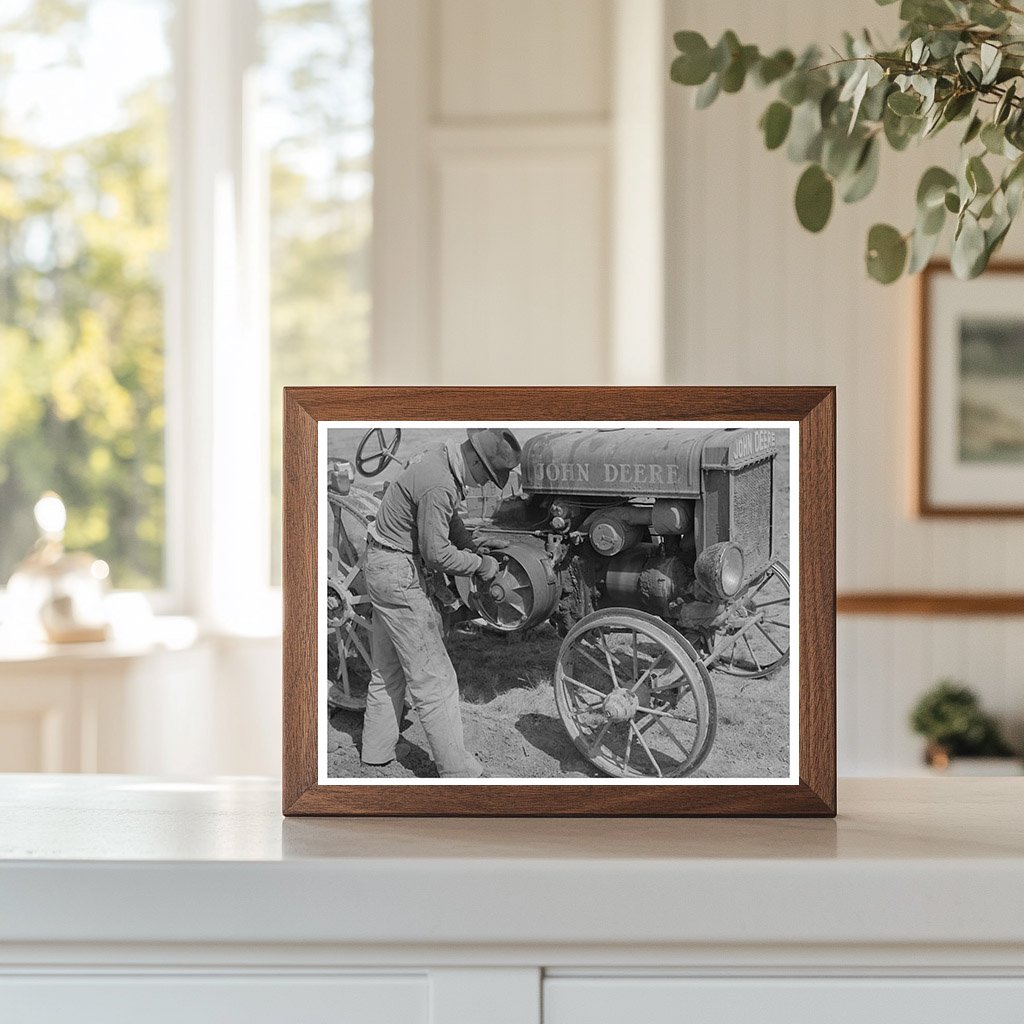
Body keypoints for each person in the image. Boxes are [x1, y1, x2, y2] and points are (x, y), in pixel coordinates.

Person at [359, 427, 522, 777]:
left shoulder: (438, 460)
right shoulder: (440, 483)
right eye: (487, 476)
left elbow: (449, 521)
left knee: (387, 668)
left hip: (381, 565)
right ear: (475, 458)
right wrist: (482, 565)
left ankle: (375, 751)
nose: (483, 484)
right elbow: (435, 553)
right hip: (399, 576)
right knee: (436, 678)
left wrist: (472, 546)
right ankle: (455, 770)